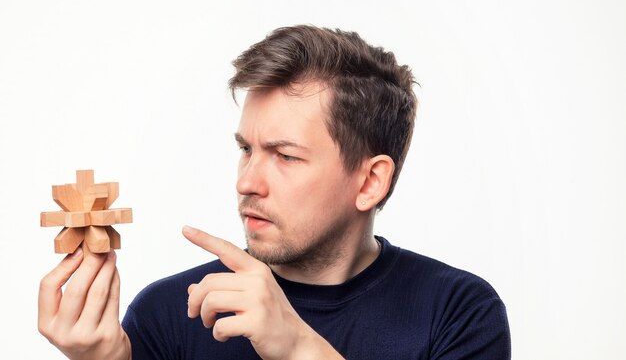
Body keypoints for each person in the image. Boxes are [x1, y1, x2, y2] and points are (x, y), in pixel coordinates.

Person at [38, 25, 511, 359]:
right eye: (246, 149)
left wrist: (297, 347)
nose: (246, 182)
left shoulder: (458, 314)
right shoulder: (168, 315)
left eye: (285, 156)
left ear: (370, 182)